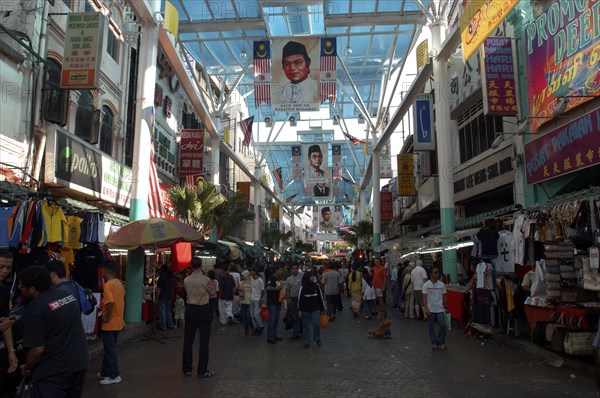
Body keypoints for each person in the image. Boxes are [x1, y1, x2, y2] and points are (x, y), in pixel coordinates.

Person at [18, 266, 89, 397]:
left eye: (21, 287)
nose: (19, 290)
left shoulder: (35, 310)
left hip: (54, 372)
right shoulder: (67, 296)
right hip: (79, 363)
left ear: (32, 289)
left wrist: (27, 368)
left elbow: (37, 349)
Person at [182, 257, 216, 379]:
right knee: (204, 342)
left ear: (191, 266)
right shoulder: (206, 280)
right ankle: (202, 370)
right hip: (203, 310)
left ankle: (186, 368)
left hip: (190, 310)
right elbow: (213, 293)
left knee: (188, 341)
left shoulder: (186, 280)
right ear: (201, 266)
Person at [98, 261, 125, 385]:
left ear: (105, 270)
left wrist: (107, 317)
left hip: (110, 323)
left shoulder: (108, 285)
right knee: (109, 348)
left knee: (110, 350)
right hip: (118, 321)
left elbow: (110, 303)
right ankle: (104, 372)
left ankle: (114, 375)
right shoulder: (119, 283)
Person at [275, 40, 318, 105]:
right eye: (287, 63)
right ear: (283, 67)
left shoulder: (317, 89)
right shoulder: (279, 93)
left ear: (308, 63)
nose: (292, 68)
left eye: (297, 62)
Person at [0, 250, 18, 398]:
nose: (5, 271)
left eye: (8, 267)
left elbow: (5, 323)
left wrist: (11, 351)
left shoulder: (5, 291)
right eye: (1, 267)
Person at [422, 266, 448, 350]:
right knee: (431, 326)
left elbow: (444, 296)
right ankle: (434, 342)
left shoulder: (441, 284)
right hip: (430, 309)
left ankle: (441, 341)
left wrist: (446, 306)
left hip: (440, 308)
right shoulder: (426, 285)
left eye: (438, 272)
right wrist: (426, 308)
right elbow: (424, 297)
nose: (437, 274)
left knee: (443, 325)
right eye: (435, 272)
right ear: (431, 274)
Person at [297, 270, 325, 348]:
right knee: (306, 326)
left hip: (316, 308)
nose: (313, 278)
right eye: (312, 276)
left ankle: (317, 338)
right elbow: (300, 299)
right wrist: (299, 310)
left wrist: (323, 308)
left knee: (316, 324)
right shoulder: (303, 288)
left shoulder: (316, 286)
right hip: (306, 310)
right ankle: (306, 341)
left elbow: (320, 298)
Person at [265, 265, 283, 344]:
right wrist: (276, 289)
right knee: (272, 320)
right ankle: (270, 337)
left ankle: (274, 335)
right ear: (276, 270)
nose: (281, 271)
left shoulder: (278, 279)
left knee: (276, 320)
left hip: (278, 302)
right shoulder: (271, 278)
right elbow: (268, 288)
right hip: (272, 302)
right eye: (280, 270)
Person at [285, 263, 303, 340]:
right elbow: (287, 291)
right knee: (294, 316)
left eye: (296, 268)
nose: (294, 270)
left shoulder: (302, 276)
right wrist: (288, 300)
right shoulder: (289, 279)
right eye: (293, 268)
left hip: (302, 299)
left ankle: (302, 331)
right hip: (293, 299)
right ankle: (296, 333)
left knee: (302, 316)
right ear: (291, 270)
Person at [156, 264, 175, 331]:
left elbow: (159, 289)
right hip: (169, 295)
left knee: (162, 311)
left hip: (162, 295)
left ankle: (163, 326)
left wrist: (156, 298)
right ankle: (170, 324)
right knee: (168, 310)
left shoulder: (161, 278)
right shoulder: (170, 277)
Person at [249, 267, 265, 335]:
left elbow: (262, 291)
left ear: (255, 272)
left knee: (256, 314)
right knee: (252, 314)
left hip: (257, 299)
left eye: (251, 271)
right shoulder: (251, 278)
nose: (250, 272)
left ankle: (261, 326)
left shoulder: (260, 280)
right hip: (252, 298)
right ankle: (255, 327)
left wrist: (261, 299)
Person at [239, 270, 252, 335]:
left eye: (244, 275)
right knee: (244, 316)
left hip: (250, 301)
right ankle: (246, 329)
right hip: (243, 301)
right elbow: (239, 290)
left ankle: (251, 327)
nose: (243, 276)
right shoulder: (241, 283)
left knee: (248, 315)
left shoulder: (252, 282)